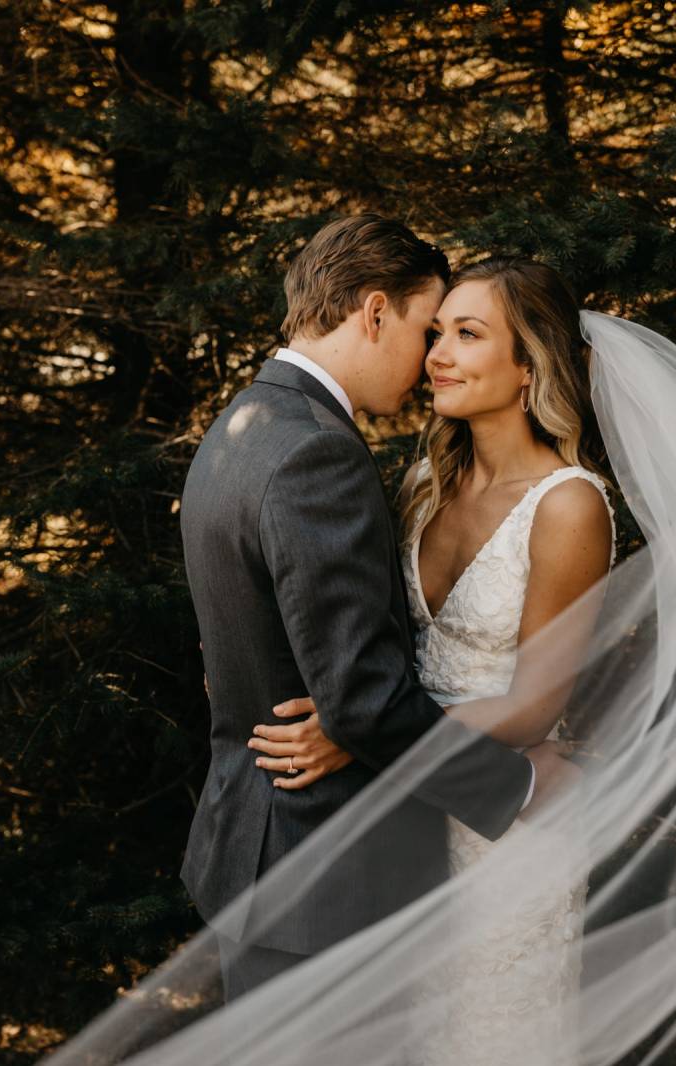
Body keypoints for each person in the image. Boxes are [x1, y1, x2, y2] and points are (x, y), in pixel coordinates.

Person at [42, 238, 676, 1066]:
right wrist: (348, 715)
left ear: (529, 362)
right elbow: (334, 635)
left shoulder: (569, 506)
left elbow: (533, 706)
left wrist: (359, 734)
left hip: (491, 825)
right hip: (410, 814)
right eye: (432, 330)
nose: (437, 353)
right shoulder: (416, 484)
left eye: (465, 335)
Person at [171, 215, 578, 1002]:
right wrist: (520, 787)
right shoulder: (315, 451)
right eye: (429, 330)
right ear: (376, 312)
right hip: (325, 874)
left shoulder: (241, 428)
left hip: (258, 854)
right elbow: (360, 698)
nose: (431, 361)